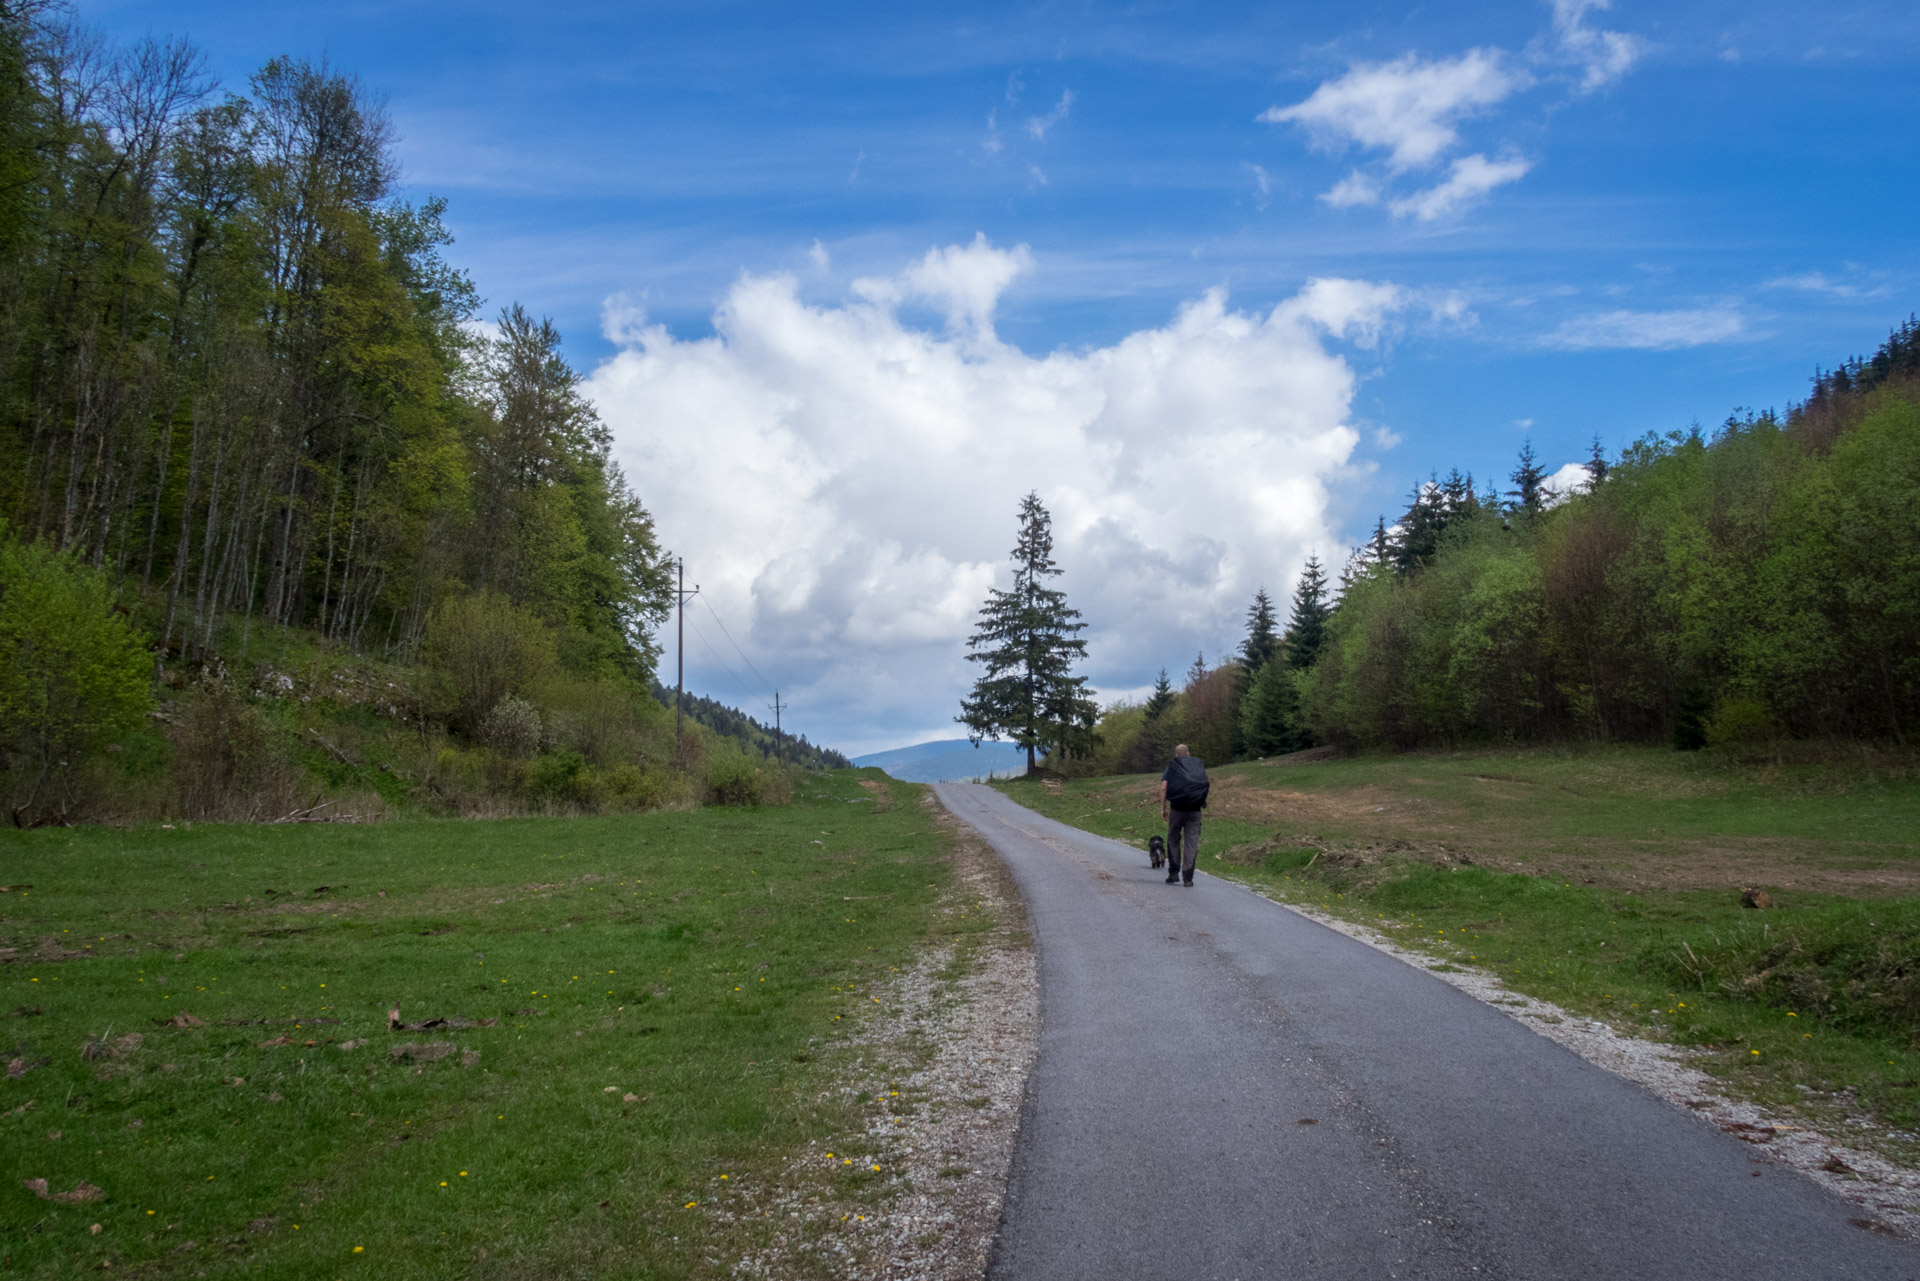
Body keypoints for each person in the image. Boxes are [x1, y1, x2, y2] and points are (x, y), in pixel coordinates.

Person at [1159, 744, 1209, 886]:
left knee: (1173, 839)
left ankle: (1174, 873)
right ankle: (1188, 878)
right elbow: (1205, 783)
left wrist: (1163, 808)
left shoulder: (1172, 766)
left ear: (1176, 754)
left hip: (1177, 810)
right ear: (1188, 753)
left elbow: (1164, 787)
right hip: (1195, 810)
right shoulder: (1196, 766)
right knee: (1191, 843)